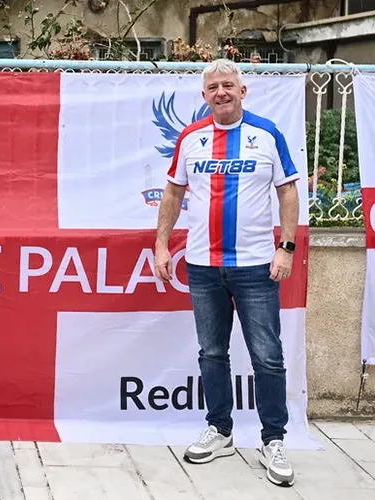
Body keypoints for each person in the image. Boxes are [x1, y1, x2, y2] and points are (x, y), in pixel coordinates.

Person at [153, 58, 300, 487]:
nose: (221, 92)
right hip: (202, 266)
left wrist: (286, 248)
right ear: (204, 96)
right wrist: (161, 244)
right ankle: (220, 430)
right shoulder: (191, 137)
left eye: (228, 85)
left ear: (242, 91)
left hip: (256, 266)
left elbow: (288, 192)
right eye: (213, 87)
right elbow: (173, 192)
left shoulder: (267, 134)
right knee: (212, 353)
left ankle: (274, 440)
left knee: (267, 356)